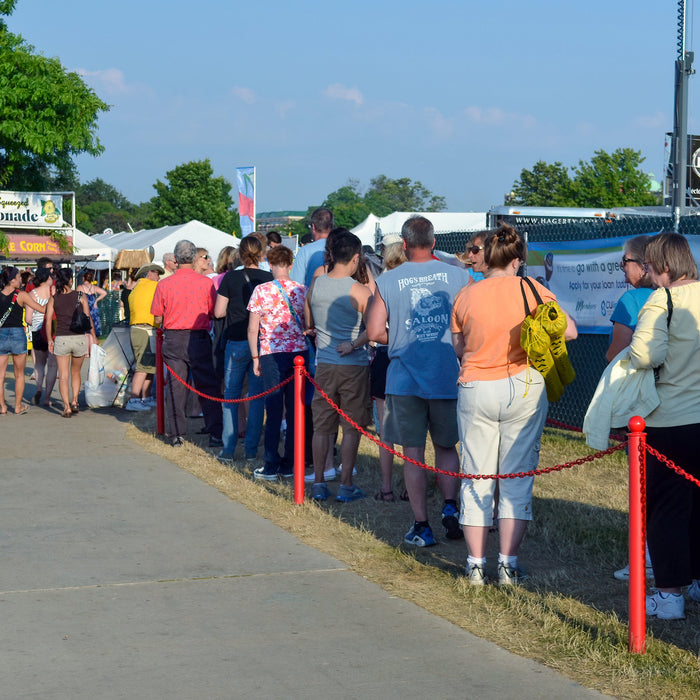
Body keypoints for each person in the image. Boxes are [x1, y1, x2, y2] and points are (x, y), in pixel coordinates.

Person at [450, 225, 577, 585]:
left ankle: (475, 565)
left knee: (476, 475)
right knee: (516, 478)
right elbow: (570, 331)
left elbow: (459, 348)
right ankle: (508, 565)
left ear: (487, 256)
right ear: (518, 260)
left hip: (476, 386)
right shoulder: (533, 290)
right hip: (524, 386)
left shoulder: (466, 295)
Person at [366, 215, 471, 547]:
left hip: (404, 378)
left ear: (405, 245)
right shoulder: (459, 275)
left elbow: (373, 331)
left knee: (413, 453)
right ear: (435, 242)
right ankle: (451, 507)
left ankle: (422, 526)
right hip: (447, 373)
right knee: (447, 446)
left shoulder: (388, 279)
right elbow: (470, 323)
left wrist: (398, 337)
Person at [629, 232, 700, 620]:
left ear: (667, 267)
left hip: (671, 418)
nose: (649, 275)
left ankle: (670, 593)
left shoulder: (663, 299)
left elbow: (645, 352)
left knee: (667, 508)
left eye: (652, 267)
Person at [305, 230, 372, 502]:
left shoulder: (318, 283)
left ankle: (319, 481)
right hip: (353, 364)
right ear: (356, 259)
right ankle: (346, 484)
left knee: (322, 426)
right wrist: (355, 344)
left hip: (324, 363)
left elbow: (308, 320)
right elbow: (375, 329)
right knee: (351, 425)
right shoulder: (360, 290)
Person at [151, 240, 223, 447]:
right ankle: (215, 433)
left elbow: (157, 317)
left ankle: (177, 435)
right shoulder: (205, 283)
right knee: (208, 386)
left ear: (174, 259)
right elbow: (212, 312)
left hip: (173, 338)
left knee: (176, 386)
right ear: (193, 259)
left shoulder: (164, 284)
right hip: (198, 337)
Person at [248, 245, 309, 480]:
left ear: (270, 264)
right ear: (291, 264)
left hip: (270, 353)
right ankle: (291, 462)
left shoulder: (261, 291)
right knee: (295, 410)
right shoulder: (302, 290)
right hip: (298, 354)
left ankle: (271, 462)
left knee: (273, 410)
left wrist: (255, 358)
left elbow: (253, 328)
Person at [214, 235, 273, 462]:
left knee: (231, 394)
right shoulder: (268, 278)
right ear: (261, 253)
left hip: (236, 339)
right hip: (260, 341)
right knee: (256, 397)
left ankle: (228, 449)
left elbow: (219, 312)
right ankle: (250, 450)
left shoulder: (230, 277)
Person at [371, 239, 407, 502]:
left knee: (386, 430)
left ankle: (386, 487)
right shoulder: (416, 284)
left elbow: (374, 329)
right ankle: (409, 486)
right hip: (409, 355)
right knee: (410, 429)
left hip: (386, 354)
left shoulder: (383, 284)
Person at [45, 267, 98, 417]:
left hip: (61, 338)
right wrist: (93, 336)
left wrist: (50, 339)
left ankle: (67, 407)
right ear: (70, 280)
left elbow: (48, 321)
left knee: (63, 376)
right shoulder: (80, 295)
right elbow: (88, 317)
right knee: (76, 372)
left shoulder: (54, 298)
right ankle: (75, 400)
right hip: (79, 338)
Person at [0, 266, 46, 415]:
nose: (21, 280)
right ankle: (18, 406)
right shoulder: (21, 295)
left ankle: (2, 406)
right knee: (19, 374)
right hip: (18, 335)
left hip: (1, 334)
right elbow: (41, 309)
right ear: (12, 280)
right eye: (19, 277)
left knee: (0, 375)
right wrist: (51, 302)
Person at [606, 235, 654, 363]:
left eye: (625, 260)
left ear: (643, 265)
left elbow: (616, 355)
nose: (622, 265)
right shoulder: (671, 295)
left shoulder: (631, 299)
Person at [125, 264, 164, 411]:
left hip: (140, 329)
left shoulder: (136, 289)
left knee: (149, 366)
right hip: (145, 329)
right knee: (142, 367)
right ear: (149, 274)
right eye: (156, 273)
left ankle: (145, 397)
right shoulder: (153, 287)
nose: (158, 277)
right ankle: (134, 399)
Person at [23, 266, 57, 407]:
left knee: (39, 364)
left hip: (37, 332)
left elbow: (28, 319)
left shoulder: (31, 295)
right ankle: (47, 398)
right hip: (53, 331)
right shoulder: (54, 294)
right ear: (48, 278)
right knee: (53, 365)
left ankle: (38, 389)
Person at [290, 208, 334, 288]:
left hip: (312, 298)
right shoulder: (341, 247)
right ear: (331, 226)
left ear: (313, 227)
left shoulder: (305, 251)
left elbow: (296, 285)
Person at [77, 270, 107, 337]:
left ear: (83, 278)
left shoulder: (80, 287)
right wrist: (96, 300)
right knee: (93, 325)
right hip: (93, 308)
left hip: (85, 308)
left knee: (85, 326)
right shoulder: (94, 287)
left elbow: (77, 299)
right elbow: (104, 293)